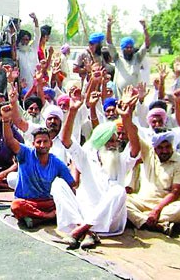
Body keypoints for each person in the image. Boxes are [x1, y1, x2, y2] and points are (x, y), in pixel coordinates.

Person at [53, 87, 133, 248]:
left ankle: (79, 231)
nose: (113, 144)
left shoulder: (121, 159)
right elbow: (65, 139)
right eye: (109, 141)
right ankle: (87, 232)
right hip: (83, 213)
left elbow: (136, 147)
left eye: (114, 140)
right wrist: (73, 110)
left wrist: (126, 116)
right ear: (100, 142)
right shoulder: (86, 157)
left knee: (119, 191)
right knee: (57, 184)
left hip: (108, 221)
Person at [0, 104, 75, 230]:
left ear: (50, 144)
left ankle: (38, 218)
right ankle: (49, 217)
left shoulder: (56, 162)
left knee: (66, 202)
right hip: (27, 201)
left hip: (47, 202)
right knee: (16, 206)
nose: (42, 145)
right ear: (33, 144)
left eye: (45, 141)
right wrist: (6, 120)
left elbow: (72, 184)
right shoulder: (25, 153)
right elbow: (10, 141)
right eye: (38, 142)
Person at [126, 127, 180, 236]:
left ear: (172, 145)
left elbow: (175, 192)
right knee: (121, 200)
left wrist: (157, 210)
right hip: (142, 201)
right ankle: (151, 222)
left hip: (166, 205)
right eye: (160, 148)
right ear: (154, 148)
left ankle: (139, 219)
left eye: (167, 147)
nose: (165, 151)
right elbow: (133, 134)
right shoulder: (148, 152)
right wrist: (126, 117)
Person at [108, 16, 150, 93]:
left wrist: (144, 27)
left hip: (135, 96)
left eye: (131, 47)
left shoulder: (138, 57)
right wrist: (108, 26)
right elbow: (110, 44)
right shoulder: (117, 58)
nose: (129, 49)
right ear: (122, 48)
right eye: (127, 47)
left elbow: (146, 44)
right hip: (119, 96)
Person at [15, 13, 41, 88]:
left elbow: (37, 35)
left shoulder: (33, 49)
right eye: (23, 39)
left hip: (35, 81)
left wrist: (35, 21)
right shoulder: (18, 52)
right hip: (24, 83)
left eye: (27, 40)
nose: (25, 41)